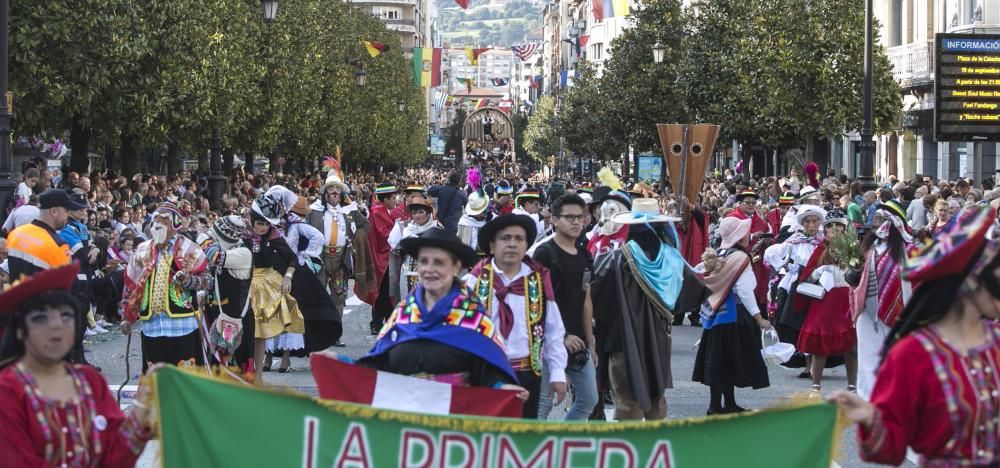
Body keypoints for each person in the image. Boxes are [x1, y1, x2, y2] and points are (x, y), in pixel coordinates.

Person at [829, 205, 1000, 467]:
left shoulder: (995, 341)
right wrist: (870, 418)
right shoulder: (913, 355)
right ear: (970, 283)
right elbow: (889, 450)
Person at [0, 264, 158, 467]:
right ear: (20, 331)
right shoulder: (8, 391)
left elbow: (116, 456)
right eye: (40, 318)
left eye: (66, 315)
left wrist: (142, 405)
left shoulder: (89, 381)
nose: (57, 325)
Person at [359, 227, 527, 399]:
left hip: (454, 419)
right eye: (423, 261)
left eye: (439, 262)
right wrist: (339, 364)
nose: (429, 269)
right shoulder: (403, 313)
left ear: (456, 267)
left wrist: (502, 388)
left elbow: (490, 372)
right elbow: (376, 366)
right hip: (404, 418)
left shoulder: (472, 317)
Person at [591, 199, 708, 420]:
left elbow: (595, 298)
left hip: (622, 338)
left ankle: (631, 445)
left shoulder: (616, 259)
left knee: (626, 395)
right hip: (659, 336)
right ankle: (655, 439)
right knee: (656, 392)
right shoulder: (673, 259)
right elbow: (694, 293)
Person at [466, 215, 568, 419]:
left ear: (526, 246)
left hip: (527, 374)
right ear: (492, 246)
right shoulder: (474, 281)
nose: (512, 244)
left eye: (519, 239)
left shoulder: (538, 279)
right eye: (505, 238)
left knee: (521, 440)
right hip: (485, 372)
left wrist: (557, 372)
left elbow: (553, 329)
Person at [694, 217, 772, 414]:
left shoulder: (720, 253)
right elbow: (745, 291)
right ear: (739, 237)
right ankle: (720, 405)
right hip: (735, 315)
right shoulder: (740, 259)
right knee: (729, 360)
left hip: (717, 313)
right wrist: (758, 317)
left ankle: (723, 403)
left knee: (720, 360)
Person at [121, 202, 211, 371]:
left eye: (163, 222)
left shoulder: (189, 249)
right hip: (152, 328)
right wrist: (127, 316)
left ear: (174, 225)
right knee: (157, 383)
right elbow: (130, 286)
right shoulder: (142, 250)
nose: (157, 226)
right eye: (155, 222)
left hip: (183, 326)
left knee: (186, 382)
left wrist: (188, 281)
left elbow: (207, 280)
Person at [533, 194, 598, 420]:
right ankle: (533, 452)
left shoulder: (585, 255)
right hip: (549, 343)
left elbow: (586, 299)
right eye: (569, 217)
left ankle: (563, 446)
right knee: (544, 405)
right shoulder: (544, 254)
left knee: (589, 399)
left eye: (580, 217)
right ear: (554, 220)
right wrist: (563, 336)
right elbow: (536, 302)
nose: (576, 222)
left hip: (579, 342)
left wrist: (590, 341)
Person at [849, 200, 914, 399]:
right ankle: (869, 398)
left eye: (881, 219)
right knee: (868, 356)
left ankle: (895, 396)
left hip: (899, 311)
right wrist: (852, 274)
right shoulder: (869, 247)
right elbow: (856, 275)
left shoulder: (909, 251)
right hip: (868, 311)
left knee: (896, 356)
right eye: (875, 219)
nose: (876, 223)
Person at [796, 210, 858, 394]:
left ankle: (852, 386)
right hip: (824, 302)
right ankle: (815, 387)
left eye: (837, 226)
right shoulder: (821, 249)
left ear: (844, 228)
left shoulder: (853, 247)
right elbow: (807, 275)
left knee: (851, 347)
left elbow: (861, 272)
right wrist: (820, 271)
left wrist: (849, 270)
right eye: (830, 226)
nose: (834, 229)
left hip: (846, 301)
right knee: (820, 348)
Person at [246, 194, 305, 382]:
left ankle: (258, 377)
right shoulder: (242, 236)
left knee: (260, 333)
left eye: (265, 224)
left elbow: (292, 259)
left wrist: (288, 277)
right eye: (259, 223)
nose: (262, 228)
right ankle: (244, 372)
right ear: (252, 221)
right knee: (244, 331)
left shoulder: (274, 236)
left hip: (267, 286)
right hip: (244, 284)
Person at [197, 215, 255, 374]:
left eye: (215, 237)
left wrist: (203, 239)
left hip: (234, 320)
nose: (212, 239)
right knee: (216, 362)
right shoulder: (230, 250)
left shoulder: (243, 253)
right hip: (217, 315)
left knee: (232, 361)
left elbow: (215, 256)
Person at [307, 168, 370, 312]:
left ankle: (335, 330)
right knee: (317, 296)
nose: (335, 191)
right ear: (325, 192)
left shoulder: (350, 211)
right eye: (331, 188)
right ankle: (320, 330)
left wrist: (355, 239)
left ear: (342, 193)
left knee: (339, 297)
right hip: (319, 259)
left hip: (341, 260)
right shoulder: (313, 211)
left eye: (338, 189)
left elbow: (366, 226)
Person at [388, 196, 442, 304]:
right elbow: (396, 251)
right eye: (414, 213)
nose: (417, 216)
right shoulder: (406, 229)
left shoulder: (437, 229)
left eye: (421, 212)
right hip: (409, 271)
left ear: (428, 213)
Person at [365, 183, 399, 335]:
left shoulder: (385, 211)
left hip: (389, 257)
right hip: (382, 257)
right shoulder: (377, 212)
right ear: (385, 199)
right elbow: (385, 234)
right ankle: (376, 323)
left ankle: (388, 321)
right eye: (392, 198)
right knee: (383, 292)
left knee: (390, 291)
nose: (395, 200)